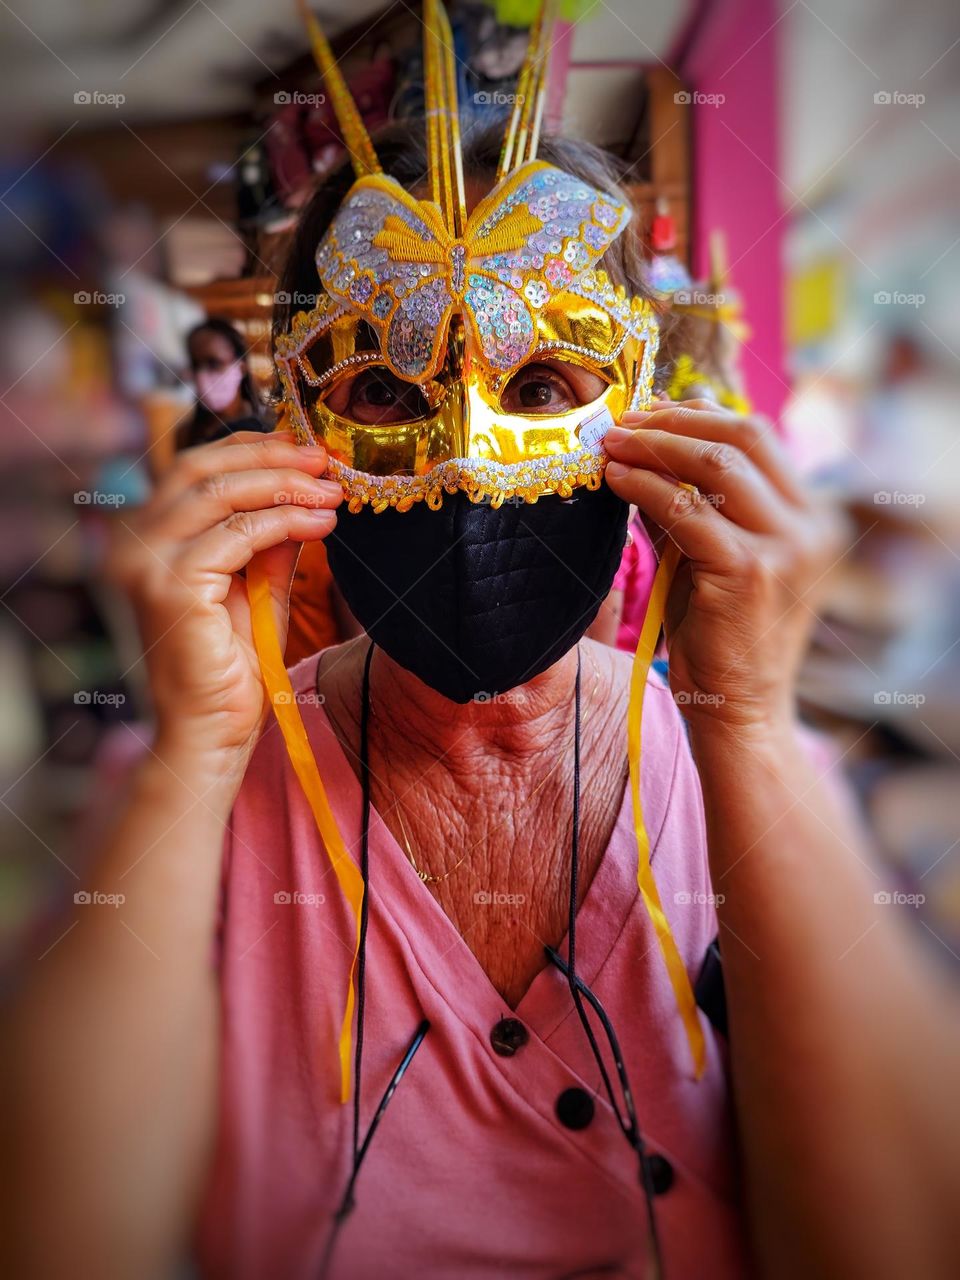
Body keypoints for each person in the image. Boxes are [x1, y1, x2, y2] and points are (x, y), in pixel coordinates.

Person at [4, 8, 959, 1280]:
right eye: (384, 390)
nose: (462, 456)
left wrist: (753, 729)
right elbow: (63, 1242)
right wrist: (191, 753)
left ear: (647, 415)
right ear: (297, 427)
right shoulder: (214, 789)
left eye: (545, 386)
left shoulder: (727, 774)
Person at [176, 316, 270, 450]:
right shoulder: (186, 434)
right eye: (196, 366)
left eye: (214, 363)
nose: (202, 375)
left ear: (241, 367)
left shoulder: (266, 426)